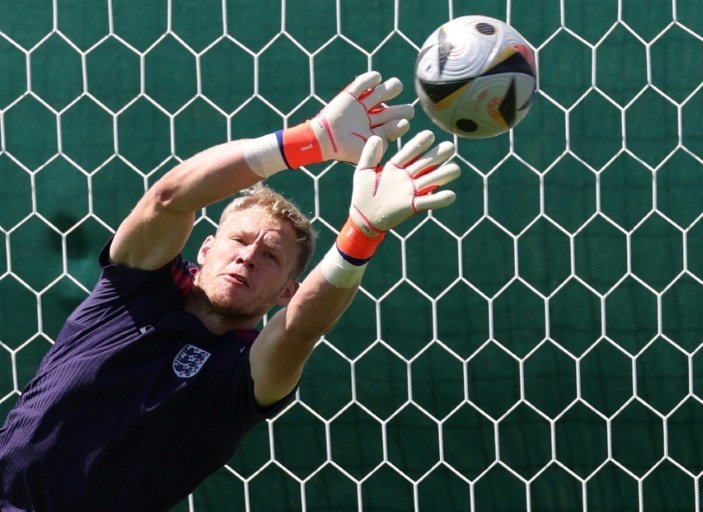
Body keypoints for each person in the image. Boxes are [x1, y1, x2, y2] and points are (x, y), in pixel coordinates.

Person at [0, 71, 460, 511]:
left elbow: (300, 330)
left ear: (286, 291)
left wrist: (362, 231)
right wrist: (312, 139)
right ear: (205, 248)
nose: (248, 257)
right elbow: (168, 199)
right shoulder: (129, 294)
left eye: (270, 257)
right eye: (239, 241)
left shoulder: (243, 374)